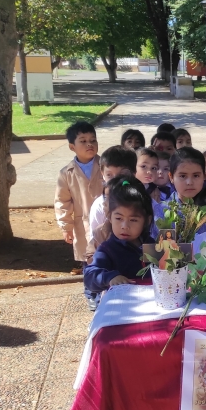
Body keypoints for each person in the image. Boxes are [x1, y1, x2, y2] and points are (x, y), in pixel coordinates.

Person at [84, 176, 155, 295]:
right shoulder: (107, 249)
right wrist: (110, 277)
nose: (124, 226)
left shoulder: (151, 244)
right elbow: (90, 275)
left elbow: (164, 271)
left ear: (147, 221)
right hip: (121, 305)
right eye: (119, 218)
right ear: (110, 217)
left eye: (133, 220)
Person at [85, 145, 138, 308]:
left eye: (122, 175)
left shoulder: (141, 200)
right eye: (109, 175)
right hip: (111, 278)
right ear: (102, 174)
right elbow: (96, 240)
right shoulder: (99, 206)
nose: (115, 180)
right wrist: (107, 275)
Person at [55, 121, 103, 292]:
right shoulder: (66, 173)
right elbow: (63, 201)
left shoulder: (105, 165)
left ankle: (105, 288)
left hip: (106, 220)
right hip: (82, 224)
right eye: (83, 141)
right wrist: (66, 227)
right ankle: (90, 291)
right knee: (87, 258)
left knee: (106, 254)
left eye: (93, 140)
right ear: (72, 147)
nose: (89, 144)